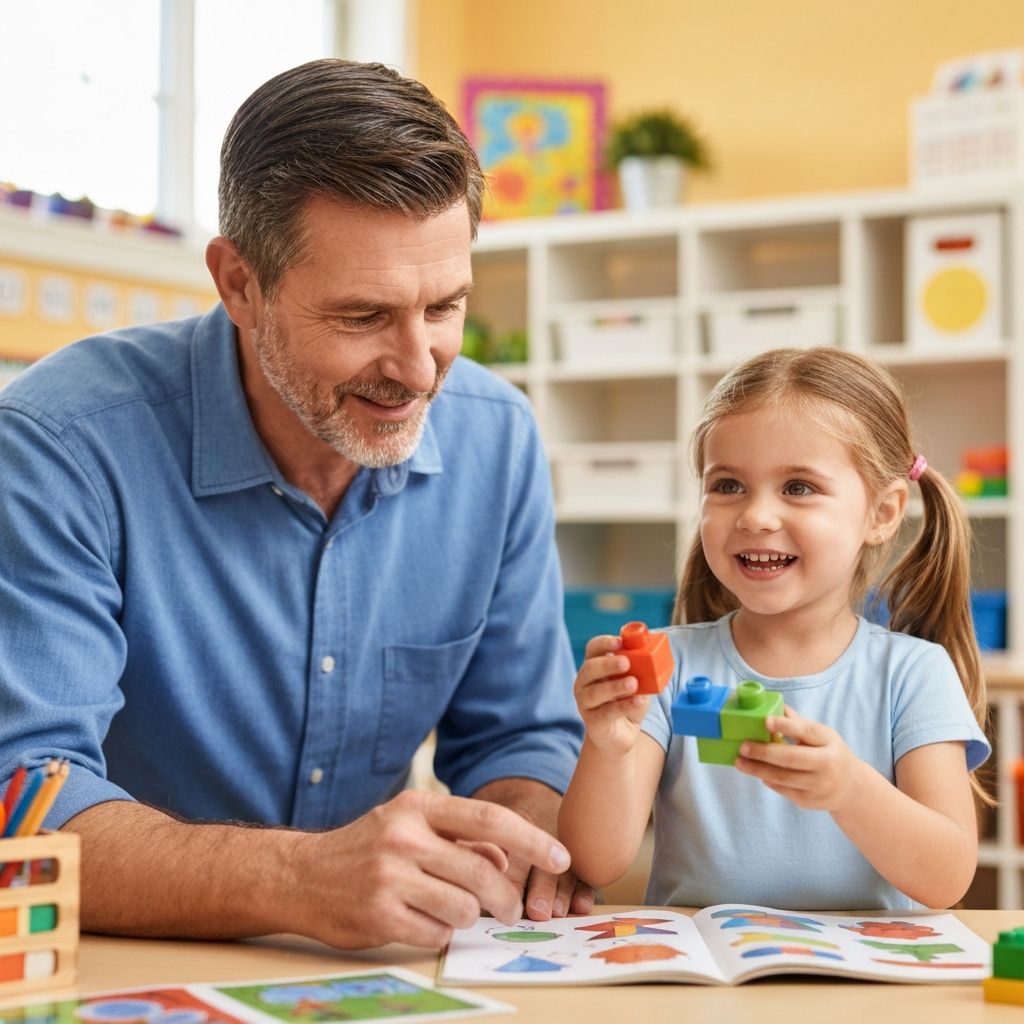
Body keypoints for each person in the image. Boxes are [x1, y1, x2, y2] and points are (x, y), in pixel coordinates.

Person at [0, 59, 590, 949]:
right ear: (240, 284)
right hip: (112, 962)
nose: (419, 369)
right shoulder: (60, 444)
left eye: (444, 307)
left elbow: (518, 738)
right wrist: (299, 878)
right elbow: (23, 798)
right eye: (363, 316)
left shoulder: (496, 437)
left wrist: (518, 836)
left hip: (377, 968)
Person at [559, 346, 991, 911]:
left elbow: (947, 877)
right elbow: (596, 863)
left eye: (799, 487)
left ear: (882, 513)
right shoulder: (670, 665)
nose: (755, 516)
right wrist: (608, 747)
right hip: (702, 964)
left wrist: (850, 790)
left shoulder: (913, 673)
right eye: (728, 485)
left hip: (860, 965)